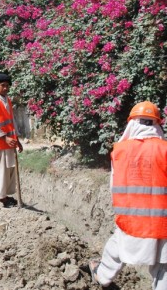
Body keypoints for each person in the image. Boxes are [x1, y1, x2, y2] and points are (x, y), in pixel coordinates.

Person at [89, 101, 167, 288]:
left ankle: (102, 276)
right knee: (163, 266)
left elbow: (113, 185)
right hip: (162, 222)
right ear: (156, 124)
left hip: (130, 221)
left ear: (132, 122)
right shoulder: (164, 150)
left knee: (116, 249)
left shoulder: (120, 151)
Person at [0, 73, 23, 208]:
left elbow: (12, 121)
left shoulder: (7, 100)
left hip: (9, 143)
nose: (6, 88)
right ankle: (1, 198)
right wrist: (5, 137)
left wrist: (16, 139)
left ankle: (6, 196)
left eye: (7, 86)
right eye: (3, 85)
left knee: (8, 171)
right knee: (1, 172)